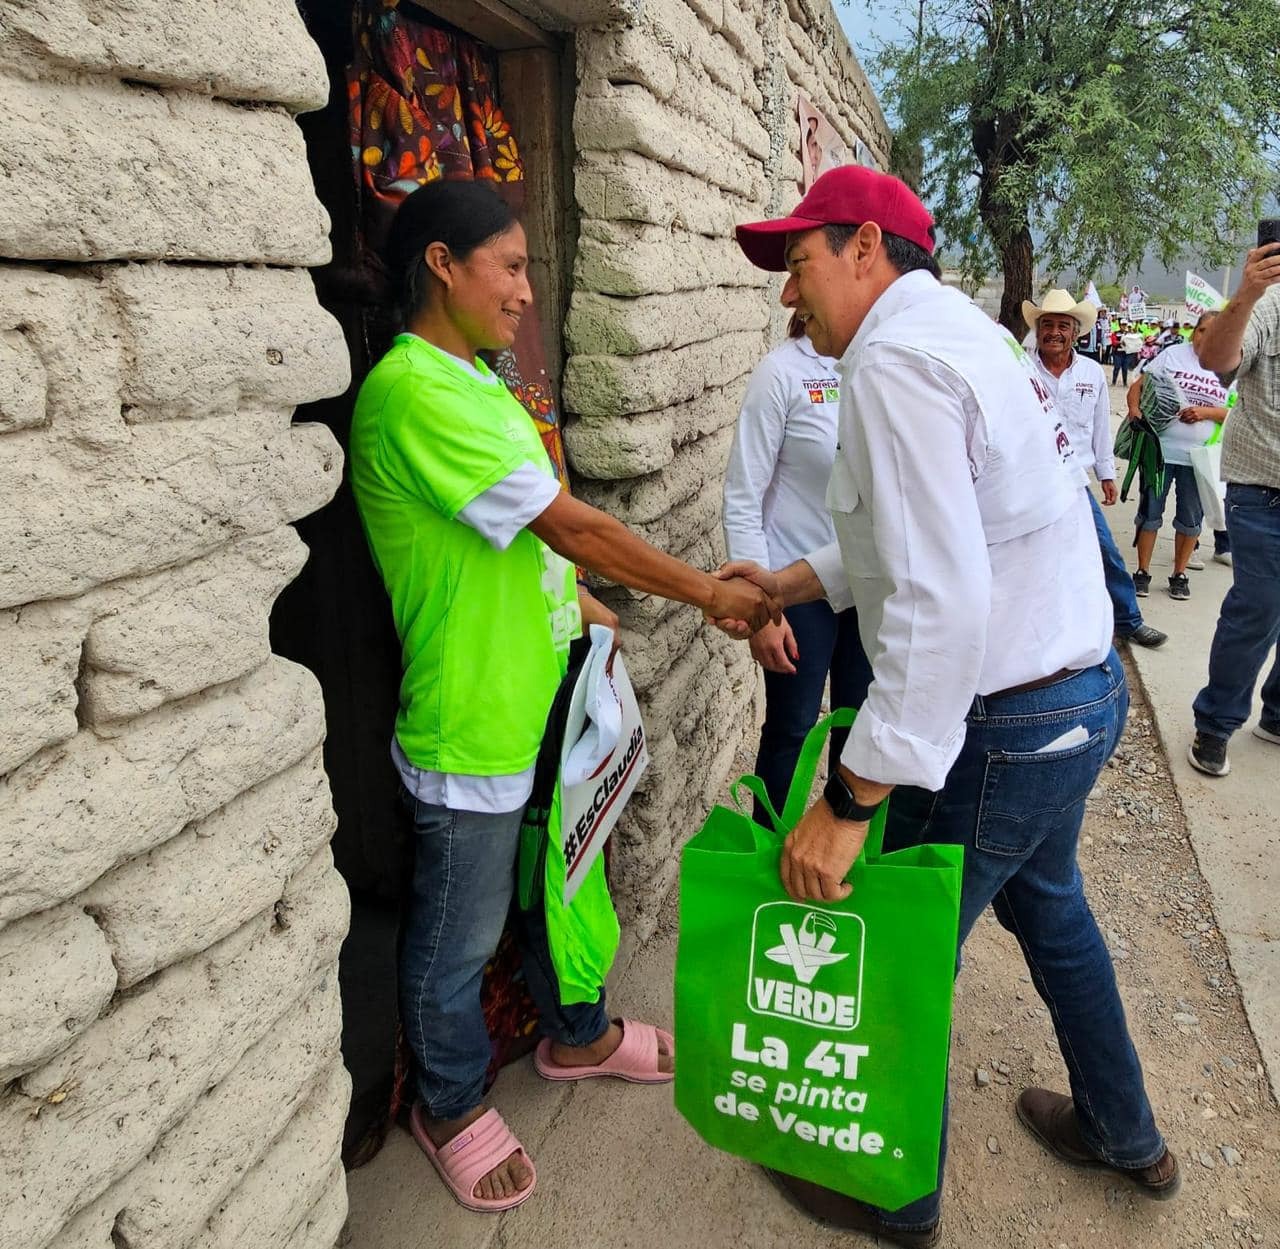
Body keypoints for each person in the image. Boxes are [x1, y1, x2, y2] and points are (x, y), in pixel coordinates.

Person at [720, 166, 1177, 1249]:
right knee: (1048, 903)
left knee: (893, 942)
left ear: (864, 249)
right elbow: (933, 528)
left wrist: (849, 793)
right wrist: (795, 581)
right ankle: (1126, 1132)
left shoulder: (893, 362)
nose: (790, 297)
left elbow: (936, 592)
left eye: (799, 266)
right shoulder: (957, 338)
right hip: (1073, 693)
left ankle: (897, 1197)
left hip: (1006, 722)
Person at [348, 181, 778, 1212]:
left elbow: (500, 538)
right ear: (441, 265)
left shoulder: (473, 379)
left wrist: (577, 600)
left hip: (543, 696)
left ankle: (573, 1038)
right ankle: (446, 1100)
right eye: (508, 266)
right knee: (458, 932)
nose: (525, 292)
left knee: (561, 880)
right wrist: (707, 590)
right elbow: (566, 522)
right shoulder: (416, 391)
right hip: (472, 719)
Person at [723, 315, 873, 817]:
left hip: (868, 584)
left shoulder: (876, 362)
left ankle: (842, 858)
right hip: (795, 587)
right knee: (792, 726)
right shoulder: (782, 372)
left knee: (860, 728)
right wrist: (762, 610)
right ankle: (769, 853)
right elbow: (743, 496)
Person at [1026, 290, 1167, 649]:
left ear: (1076, 333)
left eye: (1062, 326)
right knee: (1030, 557)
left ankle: (1129, 622)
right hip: (1029, 479)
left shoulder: (1091, 372)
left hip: (1075, 481)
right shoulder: (1021, 369)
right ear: (1038, 330)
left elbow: (1100, 426)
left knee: (1105, 551)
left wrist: (1107, 475)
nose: (1054, 332)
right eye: (1047, 325)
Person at [1186, 238, 1280, 777]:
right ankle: (1216, 722)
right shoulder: (1269, 303)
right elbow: (1217, 360)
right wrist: (1246, 292)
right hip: (1263, 489)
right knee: (1260, 608)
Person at [1124, 311, 1230, 601]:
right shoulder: (1172, 355)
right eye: (1202, 330)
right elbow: (1138, 386)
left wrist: (1206, 412)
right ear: (1194, 332)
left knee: (1190, 518)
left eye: (1214, 332)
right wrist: (1135, 412)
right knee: (1149, 513)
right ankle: (1142, 572)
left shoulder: (1229, 366)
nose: (1206, 337)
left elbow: (1236, 413)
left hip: (1198, 458)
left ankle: (1179, 574)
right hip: (1158, 450)